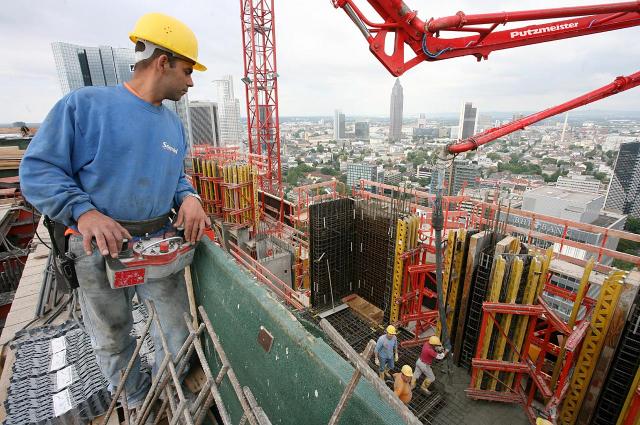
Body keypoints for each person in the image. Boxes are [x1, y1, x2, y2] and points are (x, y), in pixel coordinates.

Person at [19, 12, 210, 409]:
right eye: (187, 70)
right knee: (112, 333)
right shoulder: (84, 107)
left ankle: (170, 392)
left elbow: (176, 177)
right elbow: (38, 170)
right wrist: (83, 212)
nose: (191, 82)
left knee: (174, 330)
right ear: (163, 62)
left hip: (156, 244)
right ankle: (137, 399)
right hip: (96, 249)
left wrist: (189, 197)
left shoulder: (172, 126)